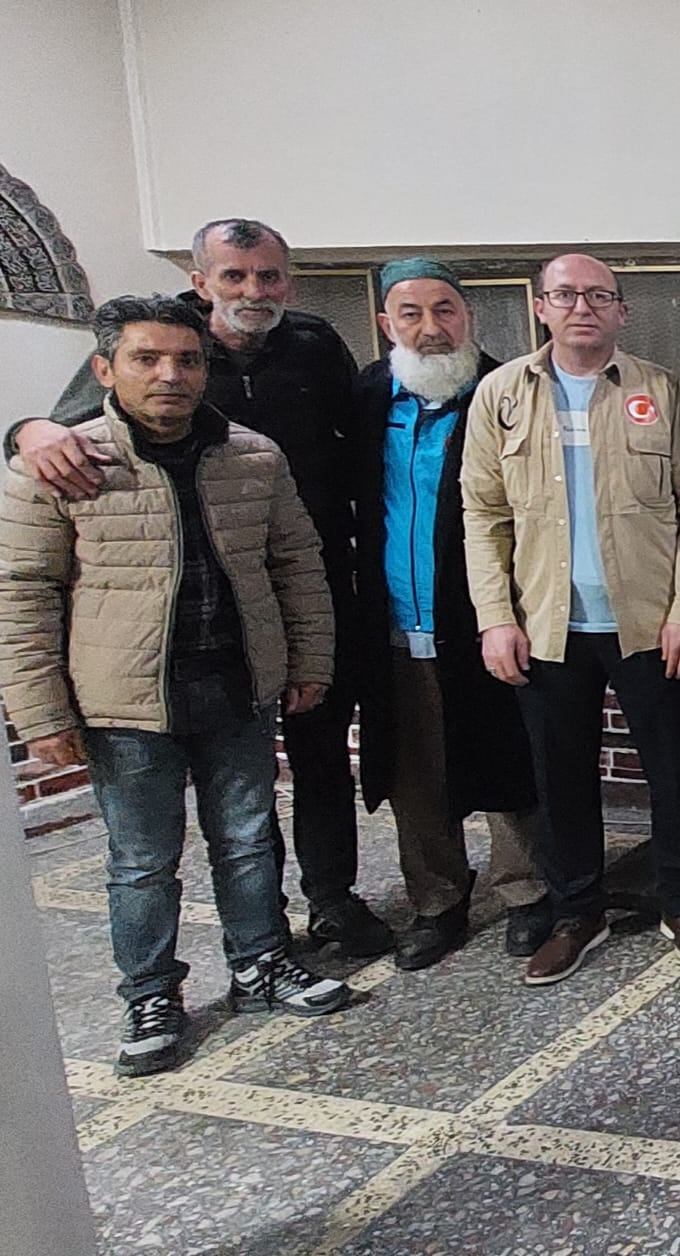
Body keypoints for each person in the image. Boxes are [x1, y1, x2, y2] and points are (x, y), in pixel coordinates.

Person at [7, 219, 389, 957]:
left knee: (318, 761)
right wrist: (23, 428)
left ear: (288, 281)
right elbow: (63, 432)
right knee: (211, 811)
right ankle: (257, 933)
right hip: (185, 614)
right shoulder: (163, 343)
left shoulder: (314, 344)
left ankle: (332, 899)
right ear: (200, 280)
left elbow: (359, 441)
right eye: (235, 275)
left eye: (269, 275)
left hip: (302, 582)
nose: (254, 291)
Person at [0, 295, 348, 1077]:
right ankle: (150, 994)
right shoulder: (59, 465)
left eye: (187, 360)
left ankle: (261, 962)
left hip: (237, 683)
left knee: (249, 838)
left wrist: (310, 660)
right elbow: (21, 592)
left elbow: (297, 562)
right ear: (105, 369)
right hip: (126, 700)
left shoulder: (252, 457)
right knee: (141, 860)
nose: (170, 375)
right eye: (147, 359)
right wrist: (39, 713)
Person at [461, 253, 680, 986]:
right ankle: (577, 910)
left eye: (599, 296)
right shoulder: (501, 395)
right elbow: (482, 513)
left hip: (647, 623)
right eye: (567, 295)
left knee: (673, 772)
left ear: (621, 311)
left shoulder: (659, 391)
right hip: (546, 626)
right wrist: (495, 618)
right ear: (540, 306)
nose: (583, 308)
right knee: (560, 777)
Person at [350, 258, 551, 971]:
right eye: (411, 314)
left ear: (469, 317)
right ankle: (437, 901)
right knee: (416, 771)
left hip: (490, 617)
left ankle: (527, 892)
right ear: (387, 324)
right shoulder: (366, 399)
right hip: (396, 618)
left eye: (445, 310)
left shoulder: (509, 392)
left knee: (507, 758)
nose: (431, 328)